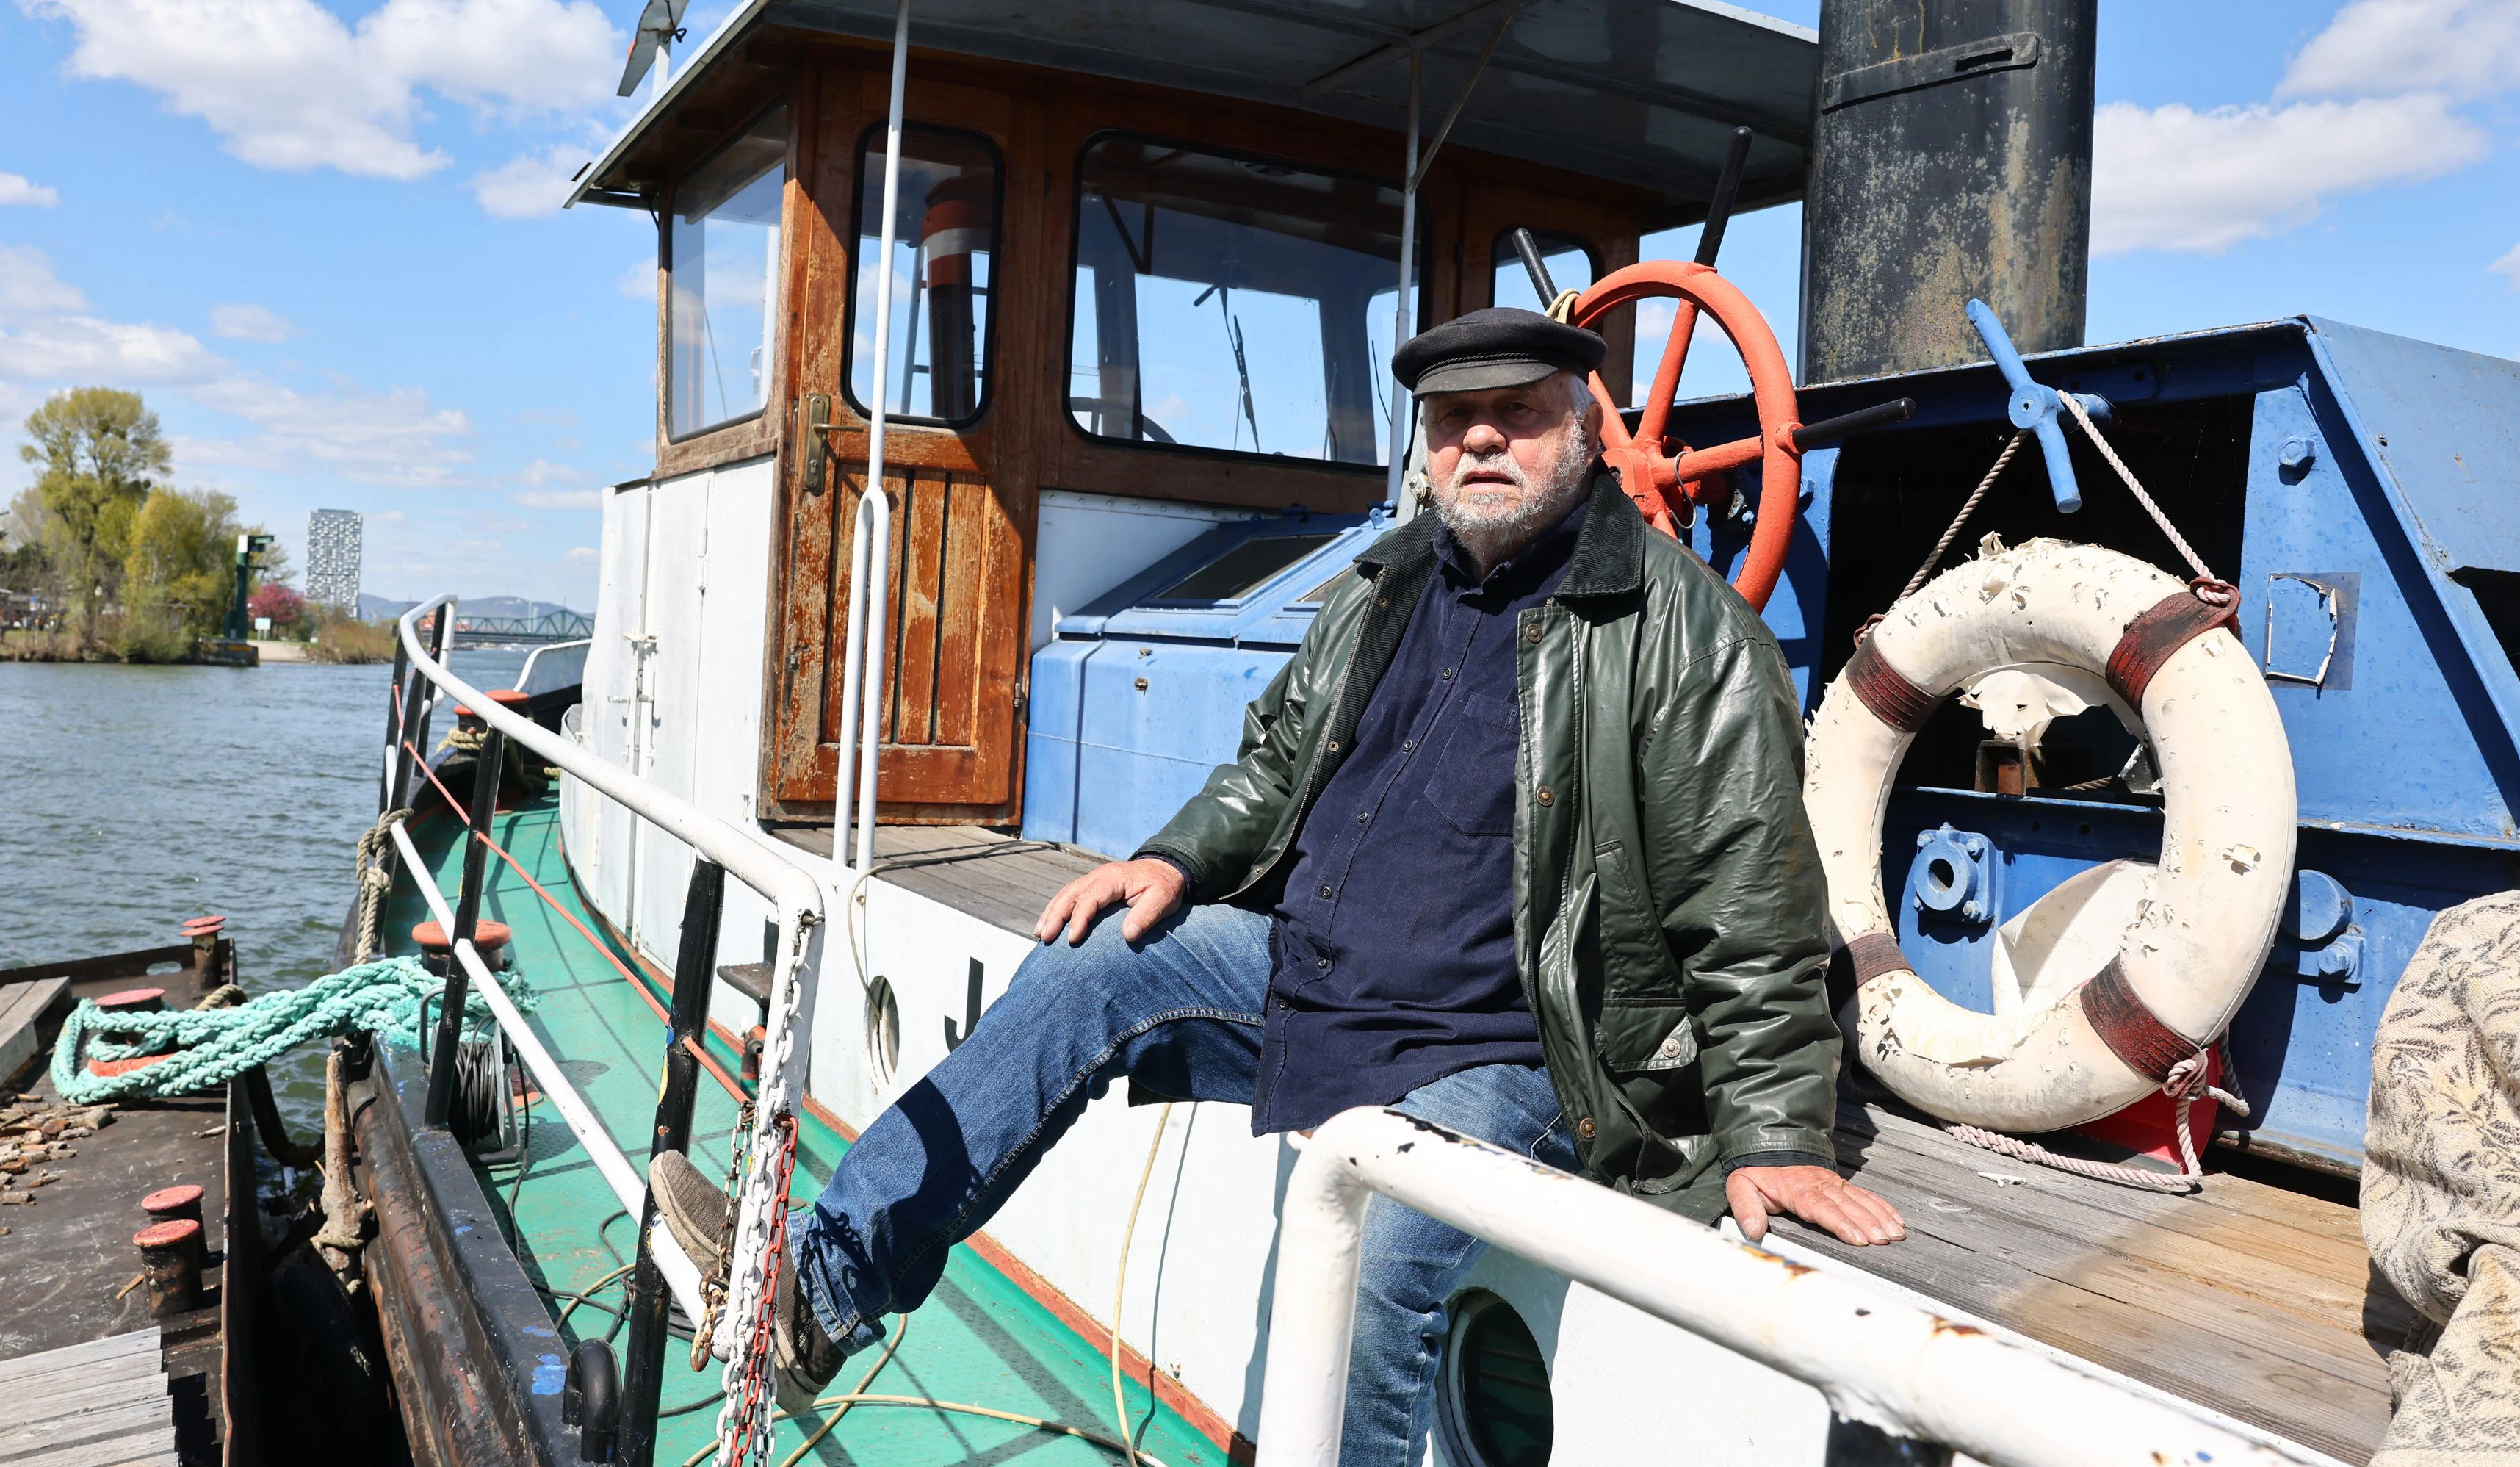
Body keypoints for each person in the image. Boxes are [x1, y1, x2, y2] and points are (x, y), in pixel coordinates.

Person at [654, 307, 1904, 1463]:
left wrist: (1778, 1128)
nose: (1480, 436)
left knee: (1378, 1220)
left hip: (1514, 1043)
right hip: (1317, 975)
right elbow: (1270, 762)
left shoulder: (1683, 634)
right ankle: (818, 1293)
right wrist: (1178, 856)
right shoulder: (1388, 581)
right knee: (1092, 964)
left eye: (1516, 410)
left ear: (1585, 430)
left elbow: (1750, 903)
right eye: (1451, 418)